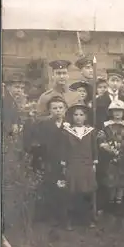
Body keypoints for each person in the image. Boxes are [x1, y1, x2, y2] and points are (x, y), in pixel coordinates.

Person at [60, 102, 98, 229]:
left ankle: (89, 219)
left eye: (81, 114)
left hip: (86, 164)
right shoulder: (67, 131)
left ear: (85, 117)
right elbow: (64, 149)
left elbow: (94, 148)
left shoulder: (90, 131)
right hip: (73, 165)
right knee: (72, 192)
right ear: (72, 116)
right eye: (76, 114)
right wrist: (64, 164)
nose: (78, 117)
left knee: (87, 192)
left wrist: (94, 162)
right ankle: (69, 220)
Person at [97, 100, 124, 211]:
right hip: (109, 157)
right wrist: (110, 149)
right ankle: (111, 202)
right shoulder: (105, 126)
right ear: (111, 113)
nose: (117, 114)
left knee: (123, 181)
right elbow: (101, 140)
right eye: (115, 111)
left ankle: (119, 201)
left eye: (120, 111)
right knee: (111, 180)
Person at [35, 96, 68, 225]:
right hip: (51, 159)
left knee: (65, 185)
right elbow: (42, 143)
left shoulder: (69, 123)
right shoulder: (44, 124)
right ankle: (52, 215)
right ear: (49, 110)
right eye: (54, 108)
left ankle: (65, 215)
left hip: (66, 159)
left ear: (65, 109)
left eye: (60, 108)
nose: (58, 111)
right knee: (51, 185)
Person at [2, 72, 26, 137]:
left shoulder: (13, 100)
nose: (19, 90)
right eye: (17, 87)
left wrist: (18, 123)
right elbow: (6, 118)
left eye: (22, 88)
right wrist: (12, 130)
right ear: (8, 86)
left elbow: (15, 115)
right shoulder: (5, 100)